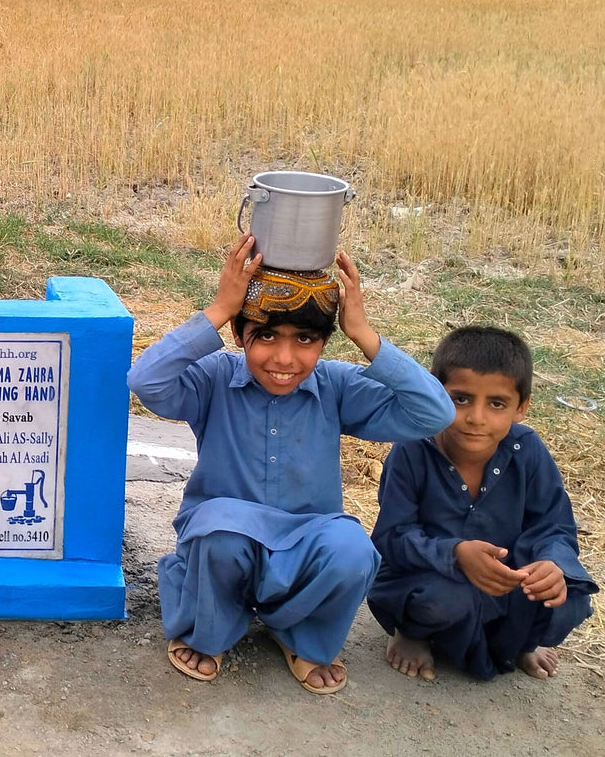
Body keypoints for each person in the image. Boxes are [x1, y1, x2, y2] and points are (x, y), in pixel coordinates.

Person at [127, 232, 455, 694]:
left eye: (305, 339)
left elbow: (435, 414)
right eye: (265, 336)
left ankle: (300, 636)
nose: (285, 358)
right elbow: (145, 380)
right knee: (219, 533)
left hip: (306, 538)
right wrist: (220, 308)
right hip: (227, 536)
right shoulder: (217, 378)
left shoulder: (336, 385)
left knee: (352, 550)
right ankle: (211, 632)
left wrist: (363, 333)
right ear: (239, 336)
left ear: (324, 342)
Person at [367, 325, 598, 682]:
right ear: (434, 393)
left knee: (569, 597)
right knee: (444, 601)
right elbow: (391, 538)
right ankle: (413, 633)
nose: (476, 417)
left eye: (496, 403)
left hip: (504, 583)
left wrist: (552, 563)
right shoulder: (413, 449)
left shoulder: (528, 451)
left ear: (521, 408)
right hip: (431, 580)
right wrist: (455, 553)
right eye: (461, 399)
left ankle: (522, 642)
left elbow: (553, 524)